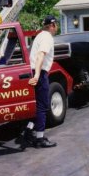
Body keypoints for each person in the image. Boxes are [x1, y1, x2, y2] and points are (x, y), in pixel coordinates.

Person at [24, 15, 58, 148]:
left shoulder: (39, 35)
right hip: (40, 73)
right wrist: (38, 74)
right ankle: (40, 138)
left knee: (38, 106)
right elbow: (40, 56)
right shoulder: (47, 37)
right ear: (52, 25)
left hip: (34, 71)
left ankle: (28, 131)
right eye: (56, 25)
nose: (56, 28)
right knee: (43, 106)